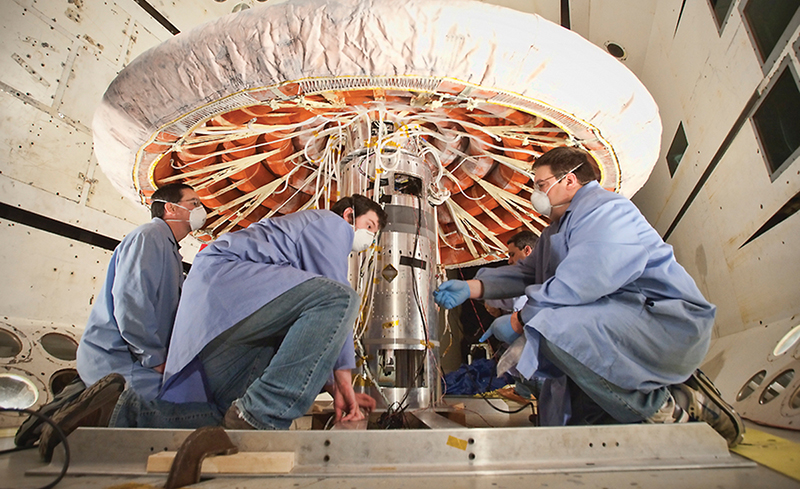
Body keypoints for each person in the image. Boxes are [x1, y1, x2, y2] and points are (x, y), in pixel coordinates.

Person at [434, 147, 744, 446]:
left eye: (541, 185)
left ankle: (664, 406)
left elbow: (585, 278)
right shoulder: (554, 233)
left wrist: (519, 321)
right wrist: (471, 288)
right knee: (583, 424)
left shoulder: (607, 210)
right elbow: (527, 274)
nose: (536, 194)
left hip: (658, 324)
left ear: (568, 179)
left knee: (553, 330)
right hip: (611, 328)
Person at [39, 194, 387, 460]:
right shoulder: (330, 225)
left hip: (233, 324)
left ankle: (112, 414)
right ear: (349, 215)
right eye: (370, 227)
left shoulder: (305, 254)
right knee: (340, 297)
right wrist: (344, 380)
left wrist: (334, 386)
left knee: (223, 414)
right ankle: (263, 417)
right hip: (231, 293)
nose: (369, 237)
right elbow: (334, 294)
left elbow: (314, 334)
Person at [74, 183, 205, 399]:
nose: (200, 210)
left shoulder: (169, 249)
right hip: (119, 361)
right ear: (170, 208)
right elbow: (132, 303)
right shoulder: (149, 236)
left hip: (138, 358)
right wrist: (154, 358)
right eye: (194, 203)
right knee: (188, 408)